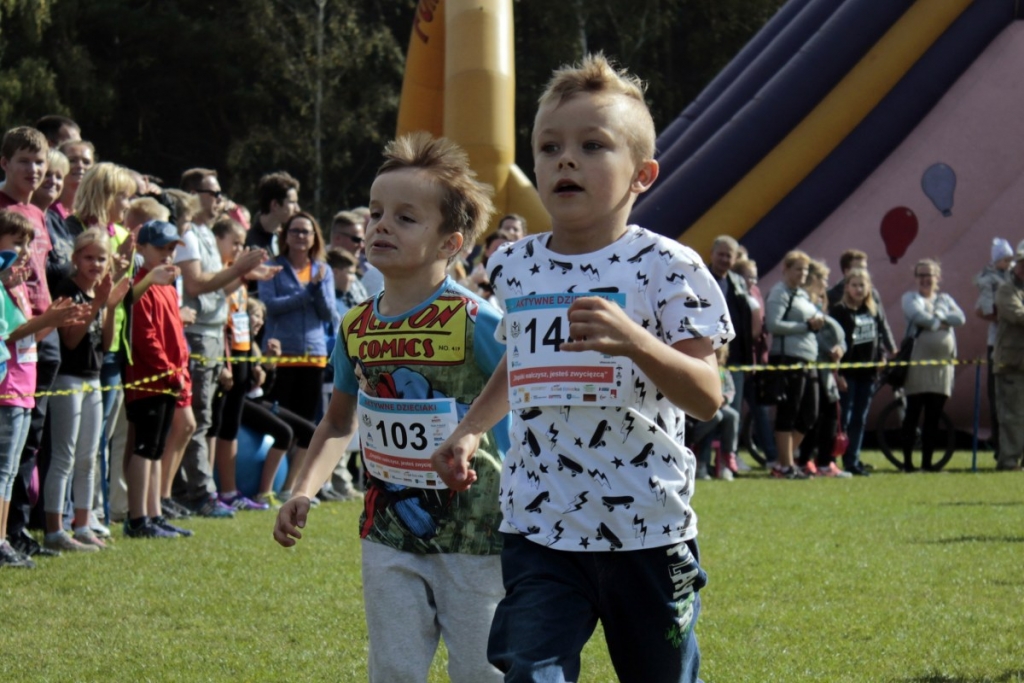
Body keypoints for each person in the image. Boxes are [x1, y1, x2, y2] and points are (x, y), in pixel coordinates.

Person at [430, 54, 732, 682]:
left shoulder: (670, 267)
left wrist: (636, 342)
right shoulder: (513, 265)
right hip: (539, 529)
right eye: (549, 147)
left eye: (593, 145)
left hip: (647, 530)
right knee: (530, 672)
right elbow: (521, 360)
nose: (565, 160)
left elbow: (708, 396)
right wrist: (470, 429)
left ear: (642, 174)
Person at [275, 132, 510, 682]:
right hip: (386, 533)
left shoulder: (478, 320)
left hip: (477, 536)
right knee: (393, 671)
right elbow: (339, 421)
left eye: (406, 218)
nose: (381, 225)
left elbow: (521, 400)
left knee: (482, 673)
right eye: (376, 212)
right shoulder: (355, 325)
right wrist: (303, 489)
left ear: (451, 242)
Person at [0, 211, 89, 567]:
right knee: (3, 470)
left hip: (24, 386)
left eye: (27, 243)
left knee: (10, 471)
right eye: (16, 243)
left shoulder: (16, 286)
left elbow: (28, 338)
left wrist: (54, 320)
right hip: (7, 388)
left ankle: (5, 539)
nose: (25, 251)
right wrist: (48, 319)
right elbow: (7, 334)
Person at [45, 229, 130, 551]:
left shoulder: (98, 291)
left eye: (101, 258)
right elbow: (70, 340)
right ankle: (55, 529)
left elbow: (106, 343)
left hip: (93, 377)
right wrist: (96, 303)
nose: (95, 264)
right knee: (64, 455)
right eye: (89, 257)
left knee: (89, 455)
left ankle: (82, 524)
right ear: (75, 259)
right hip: (68, 379)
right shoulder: (69, 290)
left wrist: (109, 305)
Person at [258, 210, 338, 496]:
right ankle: (268, 484)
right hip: (282, 356)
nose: (300, 236)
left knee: (307, 425)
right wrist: (308, 292)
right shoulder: (273, 267)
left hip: (314, 356)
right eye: (295, 231)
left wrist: (318, 289)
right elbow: (270, 305)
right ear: (285, 236)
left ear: (315, 237)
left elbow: (328, 313)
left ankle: (291, 487)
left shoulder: (323, 270)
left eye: (306, 231)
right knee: (281, 421)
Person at [123, 220, 194, 538]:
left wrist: (178, 372)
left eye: (171, 248)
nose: (167, 254)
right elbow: (145, 337)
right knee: (145, 447)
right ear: (141, 248)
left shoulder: (166, 286)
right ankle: (138, 518)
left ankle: (154, 513)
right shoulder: (142, 285)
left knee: (155, 448)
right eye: (160, 248)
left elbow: (174, 335)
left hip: (168, 380)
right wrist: (168, 371)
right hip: (149, 380)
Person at [208, 218, 268, 511]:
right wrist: (224, 362)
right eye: (235, 243)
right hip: (225, 356)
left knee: (230, 424)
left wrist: (254, 359)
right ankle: (210, 490)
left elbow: (242, 318)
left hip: (242, 353)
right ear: (217, 241)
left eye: (243, 244)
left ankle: (229, 491)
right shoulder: (217, 273)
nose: (240, 249)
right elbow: (217, 312)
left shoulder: (238, 275)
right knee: (215, 425)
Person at [900, 258, 965, 472]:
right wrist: (940, 321)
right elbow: (919, 318)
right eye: (921, 275)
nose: (925, 279)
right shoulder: (910, 298)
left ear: (937, 277)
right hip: (917, 365)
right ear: (916, 278)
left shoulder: (945, 299)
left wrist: (938, 317)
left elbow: (960, 318)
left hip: (942, 368)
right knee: (913, 414)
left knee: (933, 417)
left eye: (929, 275)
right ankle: (908, 464)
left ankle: (927, 464)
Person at [765, 250, 821, 479]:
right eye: (798, 269)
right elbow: (773, 324)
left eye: (805, 270)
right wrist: (805, 326)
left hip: (809, 358)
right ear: (785, 269)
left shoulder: (803, 295)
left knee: (810, 413)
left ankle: (782, 462)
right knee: (789, 411)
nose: (802, 274)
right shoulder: (779, 293)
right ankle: (787, 465)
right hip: (787, 358)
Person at [795, 260, 848, 478]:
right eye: (823, 279)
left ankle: (825, 461)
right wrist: (829, 349)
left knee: (830, 413)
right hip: (812, 364)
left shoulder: (819, 302)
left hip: (827, 368)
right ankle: (805, 460)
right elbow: (813, 335)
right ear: (813, 279)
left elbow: (837, 335)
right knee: (813, 414)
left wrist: (840, 349)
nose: (826, 284)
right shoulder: (803, 304)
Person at [829, 267, 885, 476]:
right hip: (847, 372)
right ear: (847, 287)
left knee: (860, 418)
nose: (858, 289)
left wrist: (881, 356)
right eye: (854, 285)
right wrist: (839, 374)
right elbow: (835, 341)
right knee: (844, 417)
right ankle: (832, 459)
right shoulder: (840, 311)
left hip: (867, 373)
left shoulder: (872, 310)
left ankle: (852, 460)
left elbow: (878, 337)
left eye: (862, 285)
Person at [707, 235, 753, 474]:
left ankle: (727, 459)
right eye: (721, 254)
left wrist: (749, 359)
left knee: (732, 410)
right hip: (707, 355)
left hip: (734, 359)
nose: (724, 259)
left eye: (729, 256)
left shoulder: (737, 283)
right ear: (712, 254)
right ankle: (703, 460)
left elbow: (745, 322)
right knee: (707, 410)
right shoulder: (700, 278)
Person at [732, 257, 777, 465]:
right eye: (748, 276)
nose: (752, 281)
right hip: (739, 360)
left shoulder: (756, 293)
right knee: (735, 412)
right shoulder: (734, 295)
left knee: (760, 410)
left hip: (757, 361)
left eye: (754, 276)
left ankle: (772, 456)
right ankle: (732, 454)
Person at [974, 237, 1013, 452]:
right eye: (1005, 259)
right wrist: (1004, 316)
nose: (1008, 264)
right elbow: (982, 309)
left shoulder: (1014, 278)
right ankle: (1000, 445)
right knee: (998, 395)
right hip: (998, 342)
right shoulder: (989, 279)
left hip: (1017, 343)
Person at [990, 250, 1024, 471]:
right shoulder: (1006, 289)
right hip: (1012, 363)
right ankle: (1009, 461)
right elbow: (1017, 315)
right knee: (1013, 416)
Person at [689, 344, 740, 480]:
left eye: (719, 356)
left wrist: (724, 399)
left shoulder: (724, 372)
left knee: (733, 415)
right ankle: (694, 440)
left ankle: (728, 455)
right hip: (704, 408)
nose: (716, 359)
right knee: (714, 416)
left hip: (721, 405)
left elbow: (731, 390)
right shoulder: (702, 370)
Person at [246, 171, 300, 257]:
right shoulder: (247, 244)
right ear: (275, 205)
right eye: (292, 202)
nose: (297, 209)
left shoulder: (286, 241)